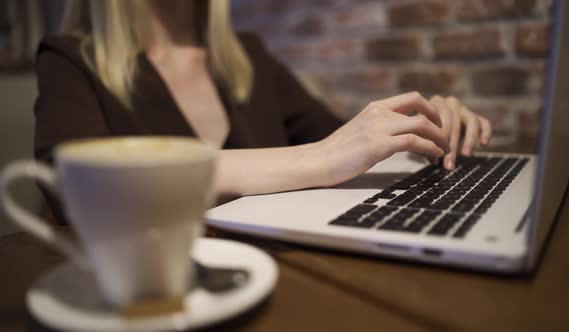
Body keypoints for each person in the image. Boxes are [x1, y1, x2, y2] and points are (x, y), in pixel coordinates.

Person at [35, 0, 491, 221]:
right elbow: (71, 180)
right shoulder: (71, 59)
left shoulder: (248, 56)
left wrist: (426, 124)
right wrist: (313, 159)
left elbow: (345, 144)